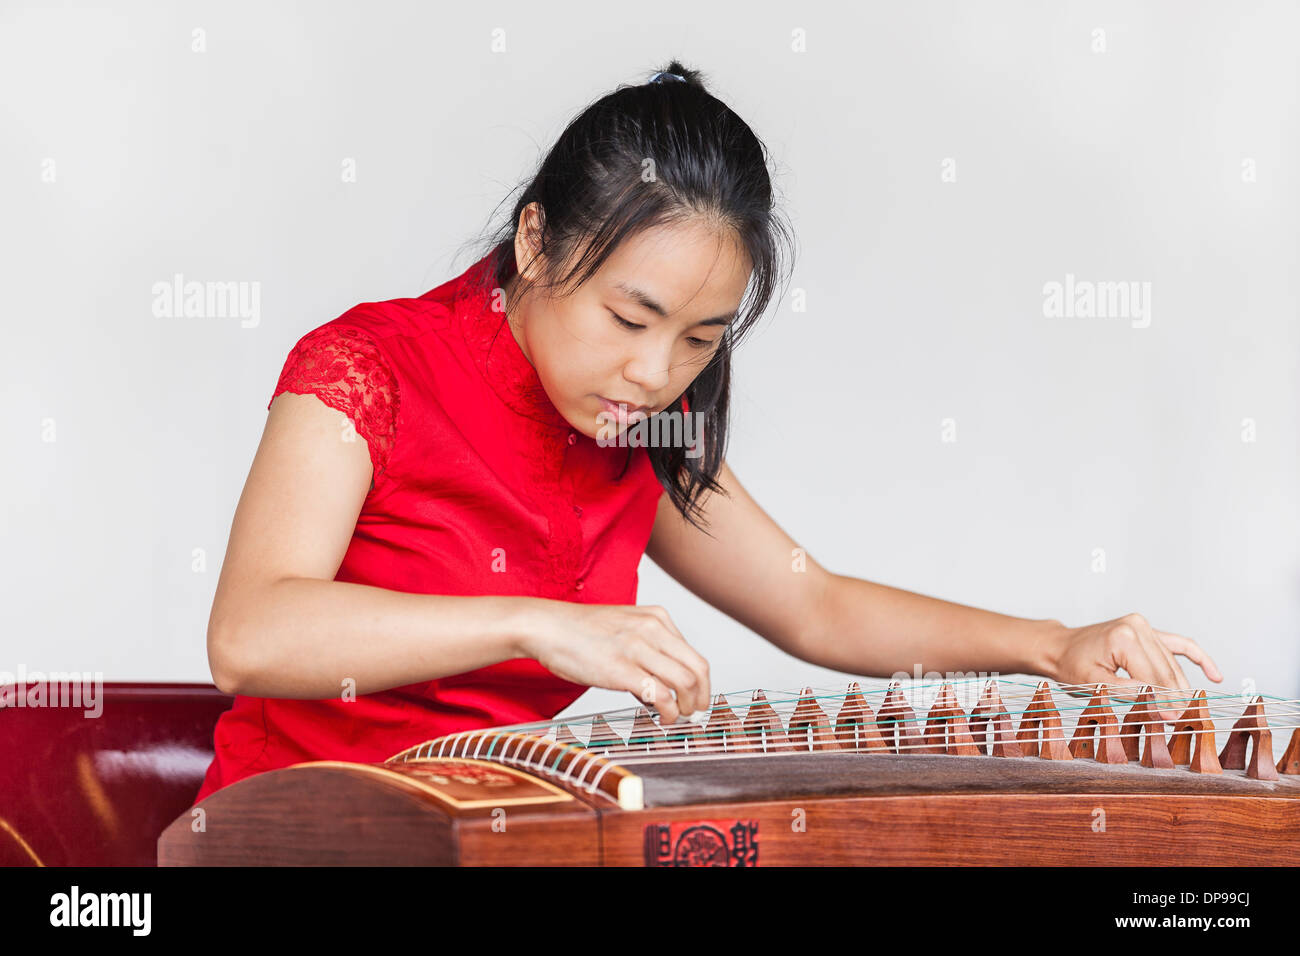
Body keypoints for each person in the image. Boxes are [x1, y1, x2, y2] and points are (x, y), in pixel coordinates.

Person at [194, 60, 1220, 803]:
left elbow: (813, 601)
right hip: (298, 825)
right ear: (538, 240)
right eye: (629, 318)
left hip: (501, 826)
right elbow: (250, 634)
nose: (654, 371)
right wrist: (533, 621)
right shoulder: (370, 366)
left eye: (698, 337)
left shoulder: (641, 427)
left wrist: (1055, 645)